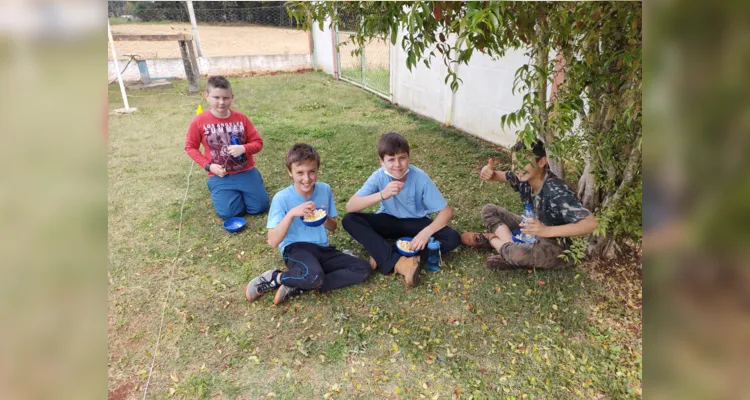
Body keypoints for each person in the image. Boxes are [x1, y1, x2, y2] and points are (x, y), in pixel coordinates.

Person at [245, 144, 372, 305]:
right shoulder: (281, 198)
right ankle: (276, 277)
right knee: (314, 275)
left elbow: (333, 227)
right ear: (290, 172)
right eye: (300, 173)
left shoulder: (324, 190)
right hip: (296, 249)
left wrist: (325, 218)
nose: (307, 178)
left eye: (312, 171)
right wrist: (291, 214)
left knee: (363, 268)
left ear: (317, 170)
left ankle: (299, 283)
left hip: (322, 249)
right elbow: (272, 241)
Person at [342, 132, 461, 287]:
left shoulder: (420, 178)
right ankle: (400, 259)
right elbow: (351, 206)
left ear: (408, 158)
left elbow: (446, 212)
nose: (397, 164)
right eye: (391, 159)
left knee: (452, 238)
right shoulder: (378, 177)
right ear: (382, 162)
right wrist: (382, 194)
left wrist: (425, 233)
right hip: (388, 220)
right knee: (349, 220)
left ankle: (383, 253)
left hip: (416, 223)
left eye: (402, 158)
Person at [461, 139, 598, 269]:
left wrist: (546, 231)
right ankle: (509, 245)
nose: (518, 167)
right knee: (489, 210)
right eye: (515, 162)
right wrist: (489, 173)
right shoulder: (524, 177)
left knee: (518, 254)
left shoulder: (556, 191)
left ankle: (492, 240)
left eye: (524, 161)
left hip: (556, 245)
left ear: (542, 162)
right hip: (531, 228)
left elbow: (591, 223)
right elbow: (499, 175)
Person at [185, 75, 269, 220]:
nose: (221, 102)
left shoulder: (241, 118)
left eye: (226, 98)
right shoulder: (199, 121)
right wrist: (209, 166)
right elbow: (190, 147)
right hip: (220, 175)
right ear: (207, 96)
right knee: (229, 214)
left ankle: (251, 185)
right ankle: (226, 192)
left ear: (232, 97)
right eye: (216, 97)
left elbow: (257, 143)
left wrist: (244, 148)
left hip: (245, 171)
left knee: (259, 208)